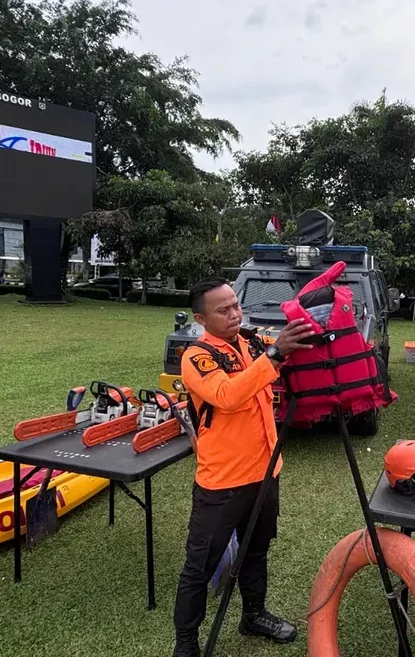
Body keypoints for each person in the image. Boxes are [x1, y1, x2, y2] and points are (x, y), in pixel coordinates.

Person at [171, 277, 315, 657]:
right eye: (224, 310)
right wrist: (273, 357)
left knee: (256, 550)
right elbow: (228, 395)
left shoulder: (252, 343)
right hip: (222, 482)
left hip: (266, 472)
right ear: (202, 318)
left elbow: (283, 360)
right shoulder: (197, 357)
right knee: (199, 566)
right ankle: (186, 643)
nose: (235, 314)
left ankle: (253, 615)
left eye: (236, 305)